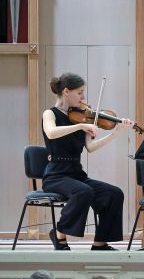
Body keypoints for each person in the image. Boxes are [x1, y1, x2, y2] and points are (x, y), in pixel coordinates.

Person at [42, 72, 133, 250]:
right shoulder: (50, 114)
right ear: (66, 91)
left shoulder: (82, 116)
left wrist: (116, 133)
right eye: (80, 92)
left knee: (114, 193)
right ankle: (59, 234)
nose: (83, 97)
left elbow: (90, 147)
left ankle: (100, 243)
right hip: (55, 175)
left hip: (76, 174)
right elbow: (51, 133)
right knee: (83, 191)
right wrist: (81, 126)